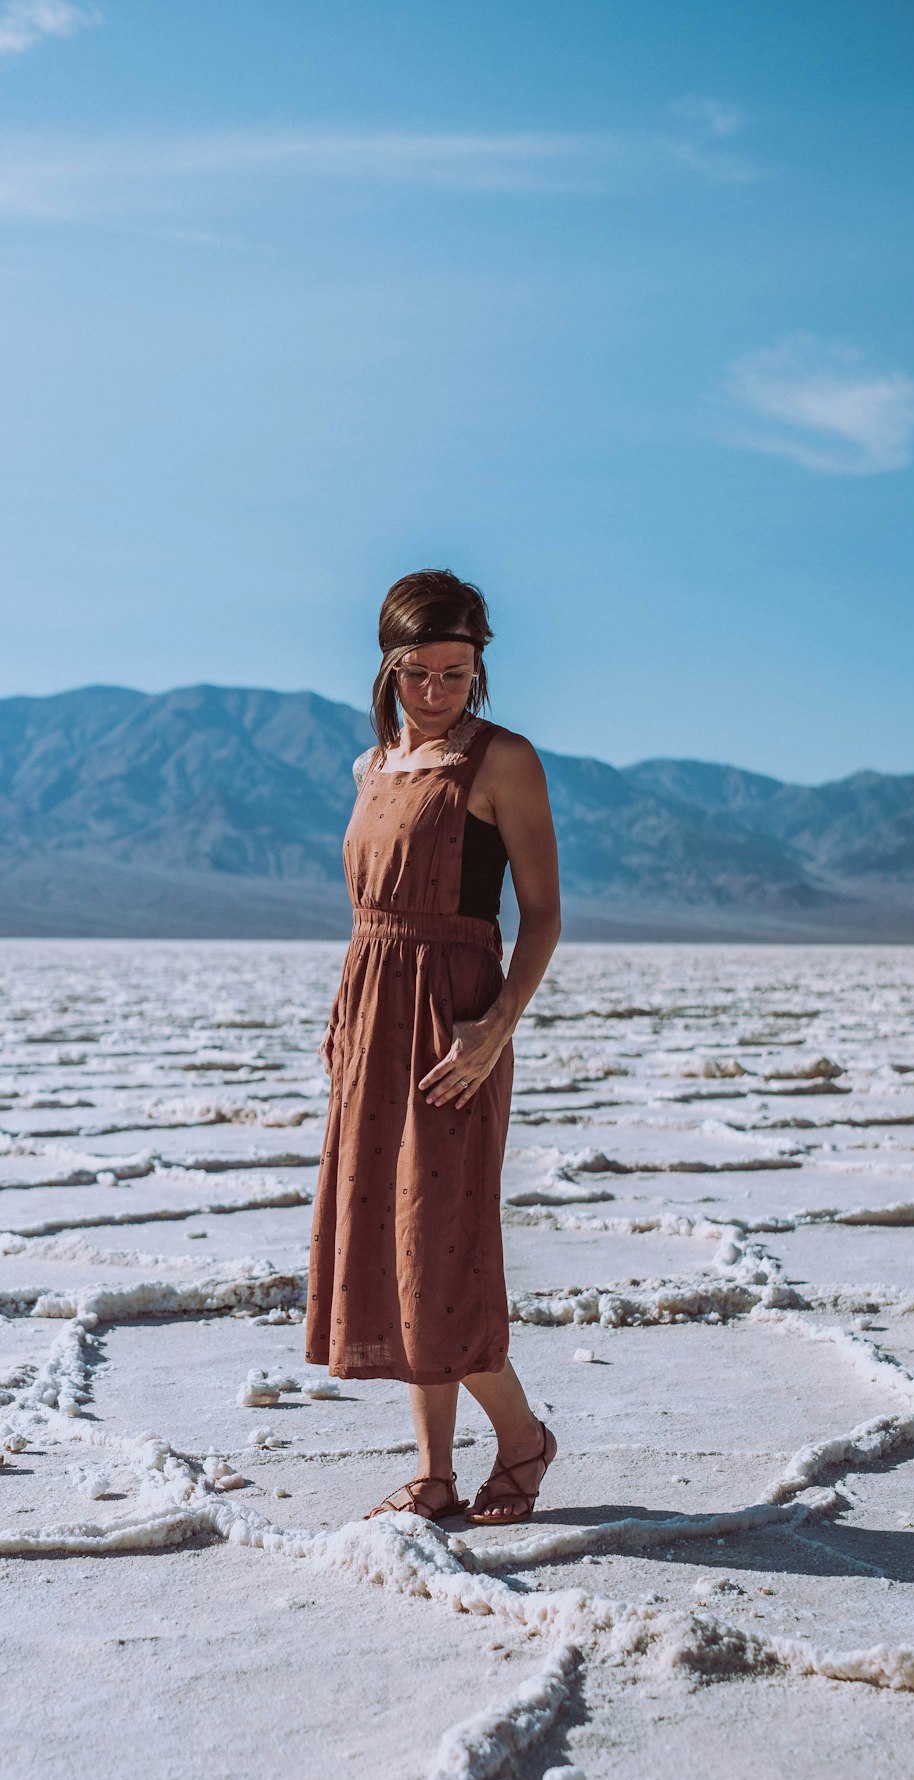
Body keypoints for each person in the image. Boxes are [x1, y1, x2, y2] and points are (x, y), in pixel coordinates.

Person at [305, 569, 563, 1525]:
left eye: (459, 673)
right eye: (421, 673)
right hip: (372, 1020)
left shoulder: (504, 763)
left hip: (454, 1024)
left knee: (441, 1251)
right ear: (389, 667)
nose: (440, 693)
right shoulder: (370, 768)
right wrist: (343, 1019)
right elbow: (368, 917)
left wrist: (496, 1031)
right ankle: (433, 1473)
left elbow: (541, 916)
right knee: (392, 1244)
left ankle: (524, 1439)